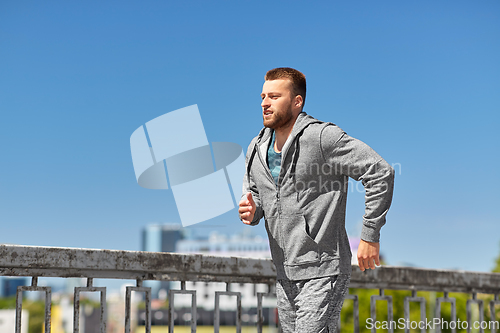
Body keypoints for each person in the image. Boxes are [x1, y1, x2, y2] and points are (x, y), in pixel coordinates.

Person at [239, 67, 395, 332]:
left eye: (274, 96)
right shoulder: (256, 147)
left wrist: (370, 234)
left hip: (324, 268)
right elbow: (257, 198)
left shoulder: (322, 138)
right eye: (263, 96)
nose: (265, 103)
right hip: (284, 272)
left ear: (297, 101)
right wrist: (251, 211)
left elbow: (380, 173)